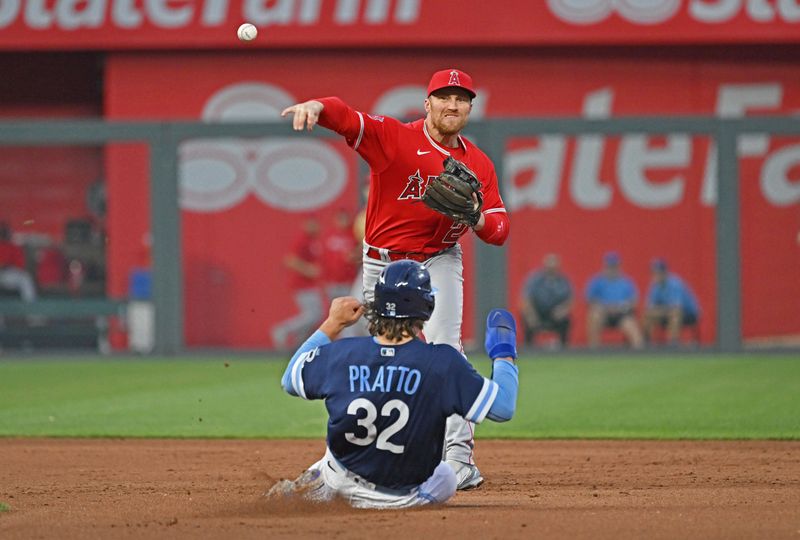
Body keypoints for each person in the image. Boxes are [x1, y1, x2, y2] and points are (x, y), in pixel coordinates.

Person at [281, 68, 510, 490]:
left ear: (470, 108)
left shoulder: (478, 163)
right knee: (387, 357)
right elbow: (349, 118)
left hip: (439, 259)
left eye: (461, 99)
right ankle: (347, 454)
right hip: (382, 264)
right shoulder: (396, 138)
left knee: (445, 351)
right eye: (444, 97)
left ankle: (458, 457)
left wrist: (476, 216)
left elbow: (499, 228)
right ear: (428, 103)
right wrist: (318, 107)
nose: (452, 105)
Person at [271, 260, 519, 509]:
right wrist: (503, 352)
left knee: (331, 461)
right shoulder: (442, 363)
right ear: (427, 307)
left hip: (339, 482)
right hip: (398, 498)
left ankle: (312, 486)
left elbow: (290, 378)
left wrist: (333, 323)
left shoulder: (341, 354)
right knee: (445, 475)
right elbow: (503, 407)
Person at [271, 217, 324, 349]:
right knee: (314, 314)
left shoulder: (313, 240)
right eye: (311, 224)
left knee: (315, 315)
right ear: (305, 224)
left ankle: (299, 341)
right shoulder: (302, 240)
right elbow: (290, 260)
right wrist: (308, 269)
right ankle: (283, 329)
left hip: (309, 284)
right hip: (301, 284)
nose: (314, 226)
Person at [585, 252, 643, 349]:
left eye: (614, 266)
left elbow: (634, 301)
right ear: (605, 266)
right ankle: (594, 350)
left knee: (634, 330)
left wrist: (623, 307)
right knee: (594, 316)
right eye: (609, 266)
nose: (612, 269)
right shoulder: (597, 281)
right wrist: (602, 307)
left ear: (619, 266)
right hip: (604, 314)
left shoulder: (627, 282)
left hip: (621, 314)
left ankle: (639, 356)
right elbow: (590, 299)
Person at [642, 258, 700, 346]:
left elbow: (677, 309)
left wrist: (658, 311)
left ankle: (673, 344)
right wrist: (657, 311)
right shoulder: (655, 286)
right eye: (654, 272)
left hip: (689, 314)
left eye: (658, 272)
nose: (656, 275)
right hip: (667, 312)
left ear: (665, 273)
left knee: (675, 316)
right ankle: (647, 344)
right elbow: (649, 308)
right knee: (647, 315)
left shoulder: (675, 284)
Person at [520, 254, 573, 348]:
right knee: (525, 317)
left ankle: (564, 348)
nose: (551, 270)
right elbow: (526, 299)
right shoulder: (535, 280)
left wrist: (563, 310)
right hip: (538, 312)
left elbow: (570, 300)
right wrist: (531, 315)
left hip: (555, 314)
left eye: (553, 267)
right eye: (549, 267)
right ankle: (528, 347)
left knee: (566, 320)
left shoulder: (563, 281)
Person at [321, 208, 360, 301]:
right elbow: (323, 259)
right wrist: (324, 281)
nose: (343, 221)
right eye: (340, 218)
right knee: (335, 310)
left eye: (345, 218)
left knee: (349, 309)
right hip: (332, 282)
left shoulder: (354, 234)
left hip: (349, 281)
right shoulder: (329, 235)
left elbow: (361, 253)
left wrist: (355, 256)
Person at [0, 221, 37, 303]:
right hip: (3, 273)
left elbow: (21, 265)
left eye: (5, 231)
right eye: (2, 231)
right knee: (24, 278)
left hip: (10, 273)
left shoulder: (13, 246)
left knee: (25, 279)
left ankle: (31, 311)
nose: (4, 233)